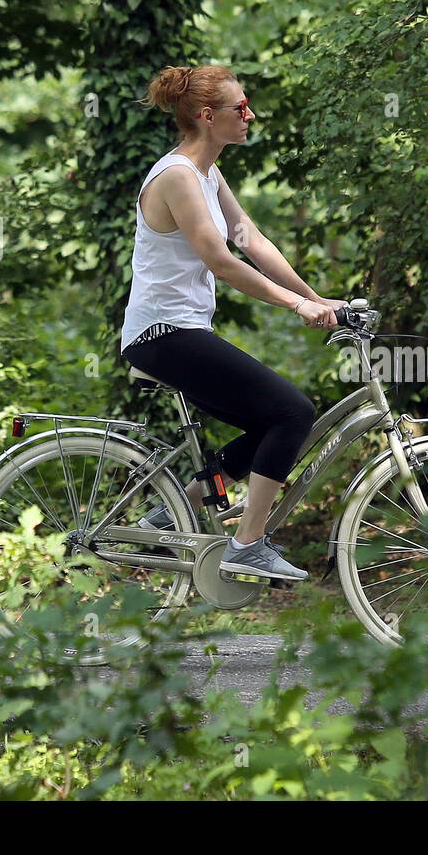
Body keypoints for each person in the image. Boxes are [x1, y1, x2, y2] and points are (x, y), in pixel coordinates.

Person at [120, 64, 344, 581]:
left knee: (272, 419)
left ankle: (169, 513)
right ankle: (248, 543)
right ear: (206, 116)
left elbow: (252, 240)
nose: (250, 115)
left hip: (182, 332)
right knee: (292, 411)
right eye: (240, 108)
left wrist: (316, 298)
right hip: (162, 334)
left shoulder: (207, 173)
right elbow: (222, 261)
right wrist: (295, 306)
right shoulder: (176, 176)